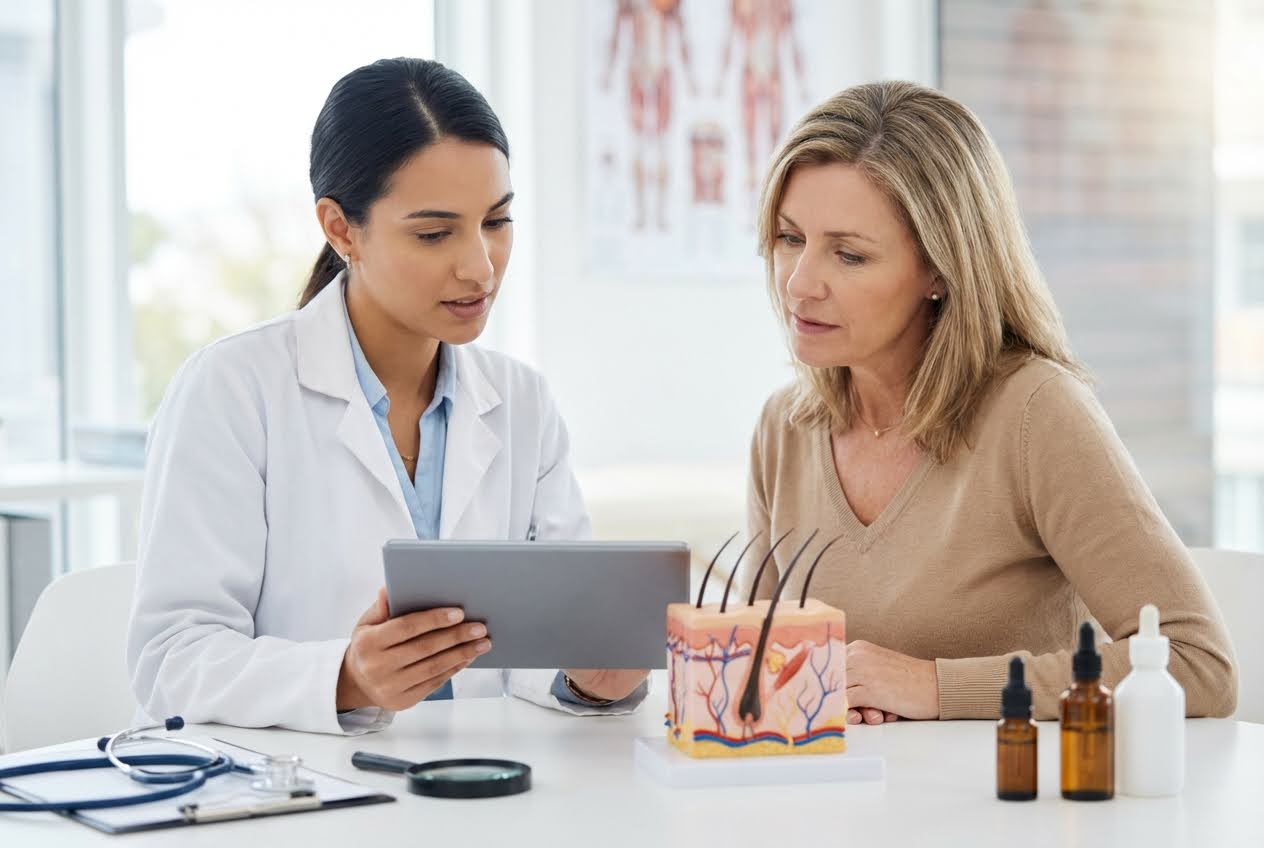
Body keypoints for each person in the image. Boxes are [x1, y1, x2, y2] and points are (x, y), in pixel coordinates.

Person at [127, 58, 648, 734]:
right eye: (434, 233)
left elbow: (532, 643)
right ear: (342, 230)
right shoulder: (231, 391)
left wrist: (586, 679)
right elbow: (172, 656)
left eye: (496, 221)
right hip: (286, 800)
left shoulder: (522, 403)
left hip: (470, 793)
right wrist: (345, 678)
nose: (480, 266)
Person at [742, 80, 1237, 724]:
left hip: (1016, 814)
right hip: (843, 809)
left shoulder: (1037, 414)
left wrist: (932, 687)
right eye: (788, 238)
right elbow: (761, 663)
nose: (800, 283)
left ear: (940, 272)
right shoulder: (784, 428)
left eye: (850, 254)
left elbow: (1196, 664)